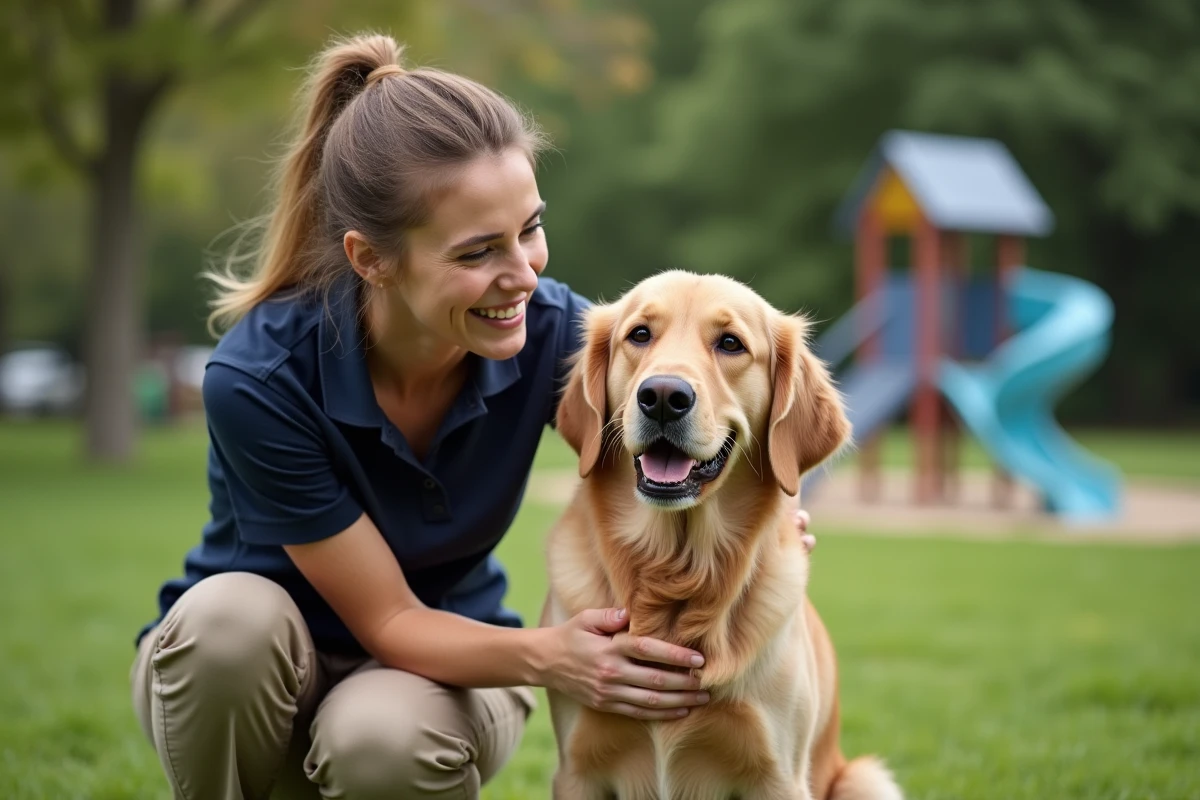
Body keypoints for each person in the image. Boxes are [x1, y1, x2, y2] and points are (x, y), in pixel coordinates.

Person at [130, 32, 815, 800]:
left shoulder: (559, 335)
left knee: (380, 741)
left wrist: (775, 517)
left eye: (530, 228)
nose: (522, 275)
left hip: (439, 686)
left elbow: (689, 411)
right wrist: (557, 654)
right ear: (372, 259)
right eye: (477, 252)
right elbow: (386, 619)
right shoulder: (258, 379)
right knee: (227, 625)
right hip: (263, 681)